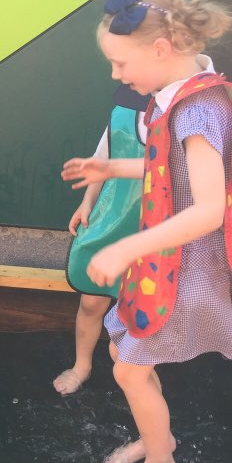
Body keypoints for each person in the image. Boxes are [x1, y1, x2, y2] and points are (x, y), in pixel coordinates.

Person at [61, 0, 232, 463]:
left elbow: (209, 210)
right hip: (164, 258)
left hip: (184, 267)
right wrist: (112, 166)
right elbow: (163, 169)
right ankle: (159, 438)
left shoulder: (200, 111)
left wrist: (127, 248)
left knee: (128, 367)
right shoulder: (180, 95)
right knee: (125, 353)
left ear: (160, 49)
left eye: (121, 64)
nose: (116, 76)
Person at [54, 84, 150, 396]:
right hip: (113, 218)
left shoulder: (181, 116)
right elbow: (102, 161)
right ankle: (83, 364)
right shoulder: (123, 111)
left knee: (141, 308)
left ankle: (137, 377)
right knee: (92, 301)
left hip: (153, 230)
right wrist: (87, 202)